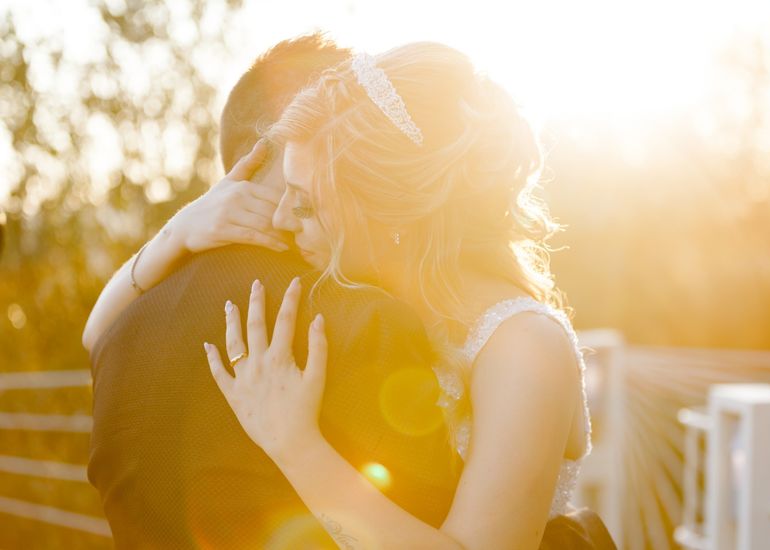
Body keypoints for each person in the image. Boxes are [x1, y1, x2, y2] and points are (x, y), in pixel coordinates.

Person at [202, 42, 604, 548]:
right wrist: (172, 238)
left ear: (386, 213)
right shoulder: (363, 300)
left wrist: (294, 444)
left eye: (305, 203)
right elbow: (98, 333)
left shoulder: (526, 348)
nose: (282, 218)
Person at [84, 34, 460, 549]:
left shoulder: (119, 335)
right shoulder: (365, 322)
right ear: (283, 138)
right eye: (336, 118)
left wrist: (171, 236)